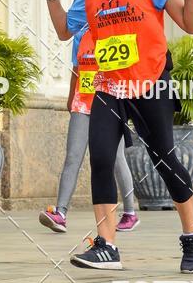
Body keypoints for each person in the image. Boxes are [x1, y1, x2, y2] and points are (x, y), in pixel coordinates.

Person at [31, 0, 193, 272]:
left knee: (163, 159)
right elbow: (66, 30)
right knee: (100, 159)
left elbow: (190, 25)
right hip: (109, 86)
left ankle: (192, 233)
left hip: (150, 82)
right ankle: (107, 244)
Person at [38, 25, 139, 234]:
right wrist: (70, 98)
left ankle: (130, 213)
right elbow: (77, 69)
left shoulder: (117, 33)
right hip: (82, 104)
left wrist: (126, 105)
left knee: (117, 159)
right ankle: (61, 213)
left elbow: (127, 71)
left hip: (110, 103)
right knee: (73, 156)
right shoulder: (81, 36)